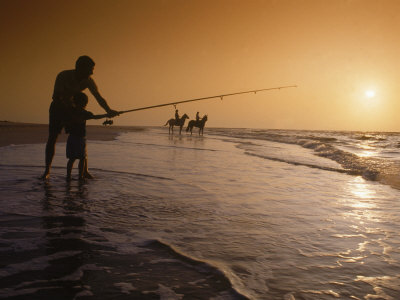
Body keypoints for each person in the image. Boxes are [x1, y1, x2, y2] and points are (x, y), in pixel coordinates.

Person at [42, 55, 119, 179]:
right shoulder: (63, 76)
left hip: (73, 108)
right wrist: (71, 113)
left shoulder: (88, 80)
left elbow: (98, 97)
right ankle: (47, 171)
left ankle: (85, 171)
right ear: (80, 68)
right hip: (58, 108)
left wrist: (109, 110)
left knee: (80, 136)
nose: (92, 72)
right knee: (53, 138)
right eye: (90, 69)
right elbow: (56, 97)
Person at [66, 92, 110, 181]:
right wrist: (106, 114)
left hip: (71, 138)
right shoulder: (84, 113)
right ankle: (80, 176)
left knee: (72, 159)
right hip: (80, 139)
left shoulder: (71, 111)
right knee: (82, 158)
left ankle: (68, 176)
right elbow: (95, 117)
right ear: (84, 103)